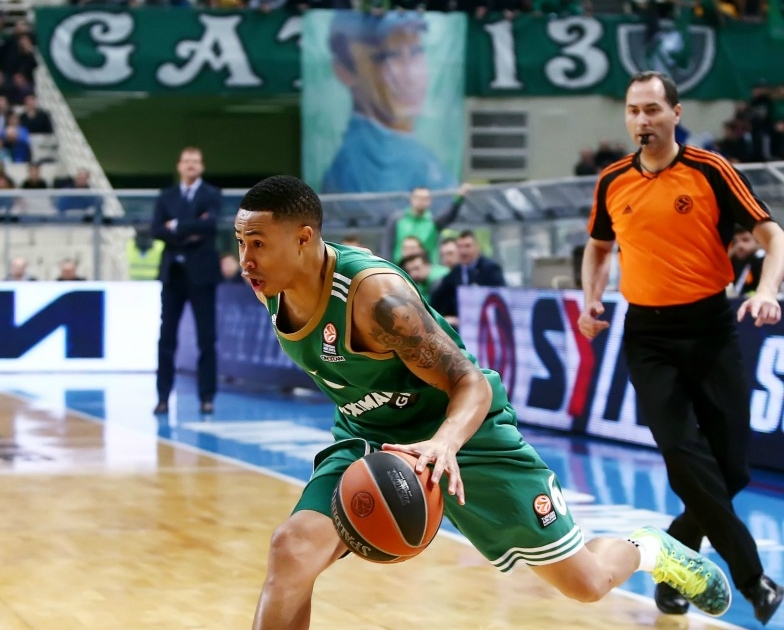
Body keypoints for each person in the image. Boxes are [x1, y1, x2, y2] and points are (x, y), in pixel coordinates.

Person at [234, 175, 733, 630]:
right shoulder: (271, 287)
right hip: (370, 434)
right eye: (241, 243)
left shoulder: (379, 301)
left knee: (586, 583)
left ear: (303, 238)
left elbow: (471, 384)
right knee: (292, 550)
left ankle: (651, 548)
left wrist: (444, 443)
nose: (246, 260)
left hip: (461, 429)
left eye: (258, 243)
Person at [579, 71, 784, 624]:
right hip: (648, 337)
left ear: (675, 113)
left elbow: (774, 236)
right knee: (681, 451)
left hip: (711, 328)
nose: (641, 120)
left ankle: (671, 563)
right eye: (633, 110)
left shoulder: (711, 170)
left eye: (652, 109)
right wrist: (590, 299)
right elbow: (598, 248)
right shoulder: (612, 180)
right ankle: (754, 579)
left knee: (731, 471)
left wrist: (767, 290)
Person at [320, 11, 455, 195]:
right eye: (388, 57)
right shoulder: (368, 164)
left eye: (416, 52)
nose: (410, 76)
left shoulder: (405, 149)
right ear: (344, 72)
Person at [152, 147, 221, 415]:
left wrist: (176, 226)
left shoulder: (211, 194)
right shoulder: (166, 196)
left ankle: (207, 396)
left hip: (202, 275)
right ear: (179, 165)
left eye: (196, 161)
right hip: (173, 275)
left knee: (207, 338)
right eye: (187, 161)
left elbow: (210, 225)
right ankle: (162, 397)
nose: (191, 165)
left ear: (202, 166)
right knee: (166, 338)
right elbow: (156, 229)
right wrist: (191, 226)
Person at [382, 184, 470, 264]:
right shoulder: (398, 220)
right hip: (400, 269)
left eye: (425, 199)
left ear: (430, 201)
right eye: (418, 198)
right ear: (411, 199)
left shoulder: (433, 222)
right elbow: (387, 245)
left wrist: (458, 199)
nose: (421, 201)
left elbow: (449, 216)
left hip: (427, 270)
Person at [729, 224, 767, 297]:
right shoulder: (735, 260)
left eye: (745, 240)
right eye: (735, 242)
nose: (739, 245)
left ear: (759, 242)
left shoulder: (763, 261)